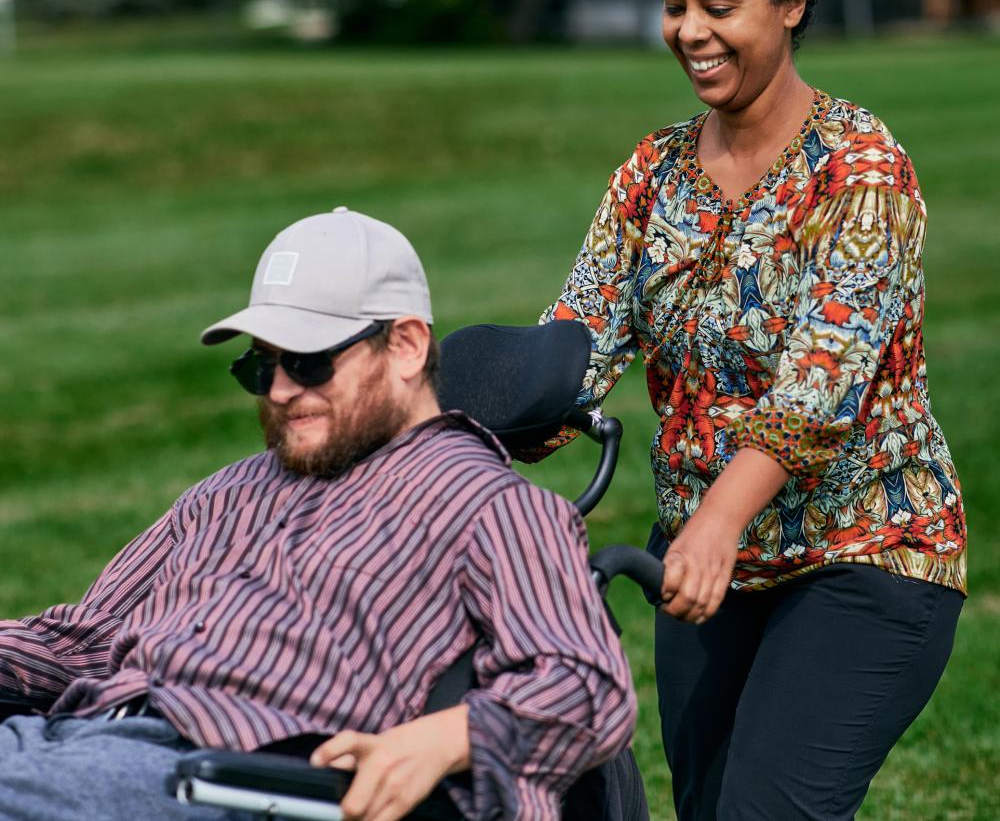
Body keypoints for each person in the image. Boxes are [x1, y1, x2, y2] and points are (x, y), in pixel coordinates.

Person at [534, 0, 967, 821]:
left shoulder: (861, 169)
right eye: (673, 4)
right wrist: (464, 418)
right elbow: (577, 343)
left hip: (865, 556)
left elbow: (818, 386)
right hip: (702, 565)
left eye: (717, 5)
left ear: (792, 2)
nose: (689, 31)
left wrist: (720, 521)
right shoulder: (652, 174)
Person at [0, 207, 637, 821]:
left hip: (224, 780)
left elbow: (587, 684)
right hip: (69, 743)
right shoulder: (226, 493)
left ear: (407, 345)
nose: (279, 389)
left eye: (308, 362)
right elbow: (86, 640)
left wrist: (445, 739)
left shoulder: (488, 505)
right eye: (261, 365)